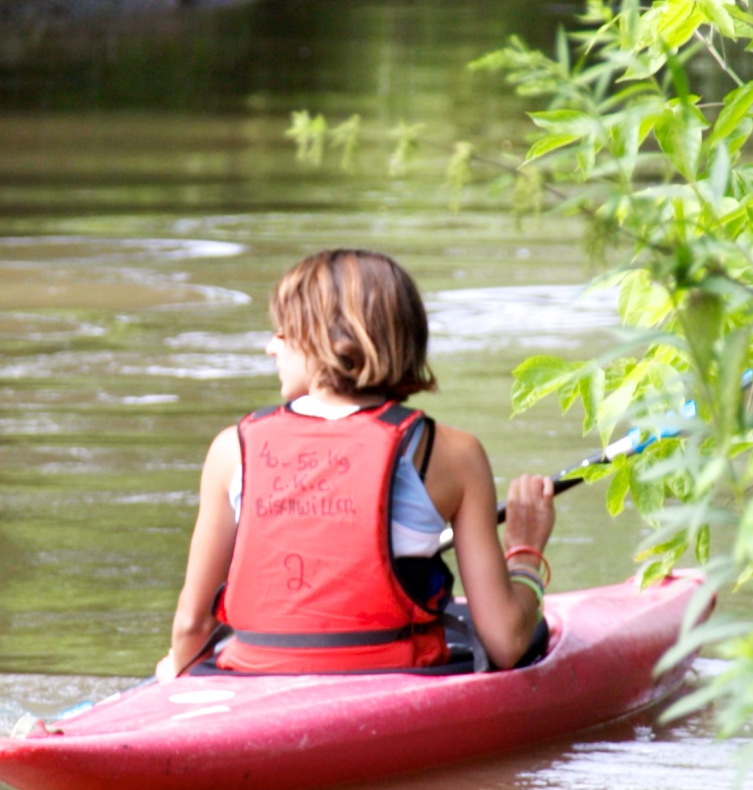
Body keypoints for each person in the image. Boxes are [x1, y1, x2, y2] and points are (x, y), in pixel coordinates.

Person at [158, 249, 556, 679]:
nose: (270, 346)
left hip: (254, 679)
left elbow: (193, 627)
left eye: (283, 332)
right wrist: (525, 552)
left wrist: (174, 670)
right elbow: (507, 641)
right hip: (395, 681)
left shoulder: (232, 449)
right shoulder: (453, 454)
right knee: (533, 637)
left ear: (327, 341)